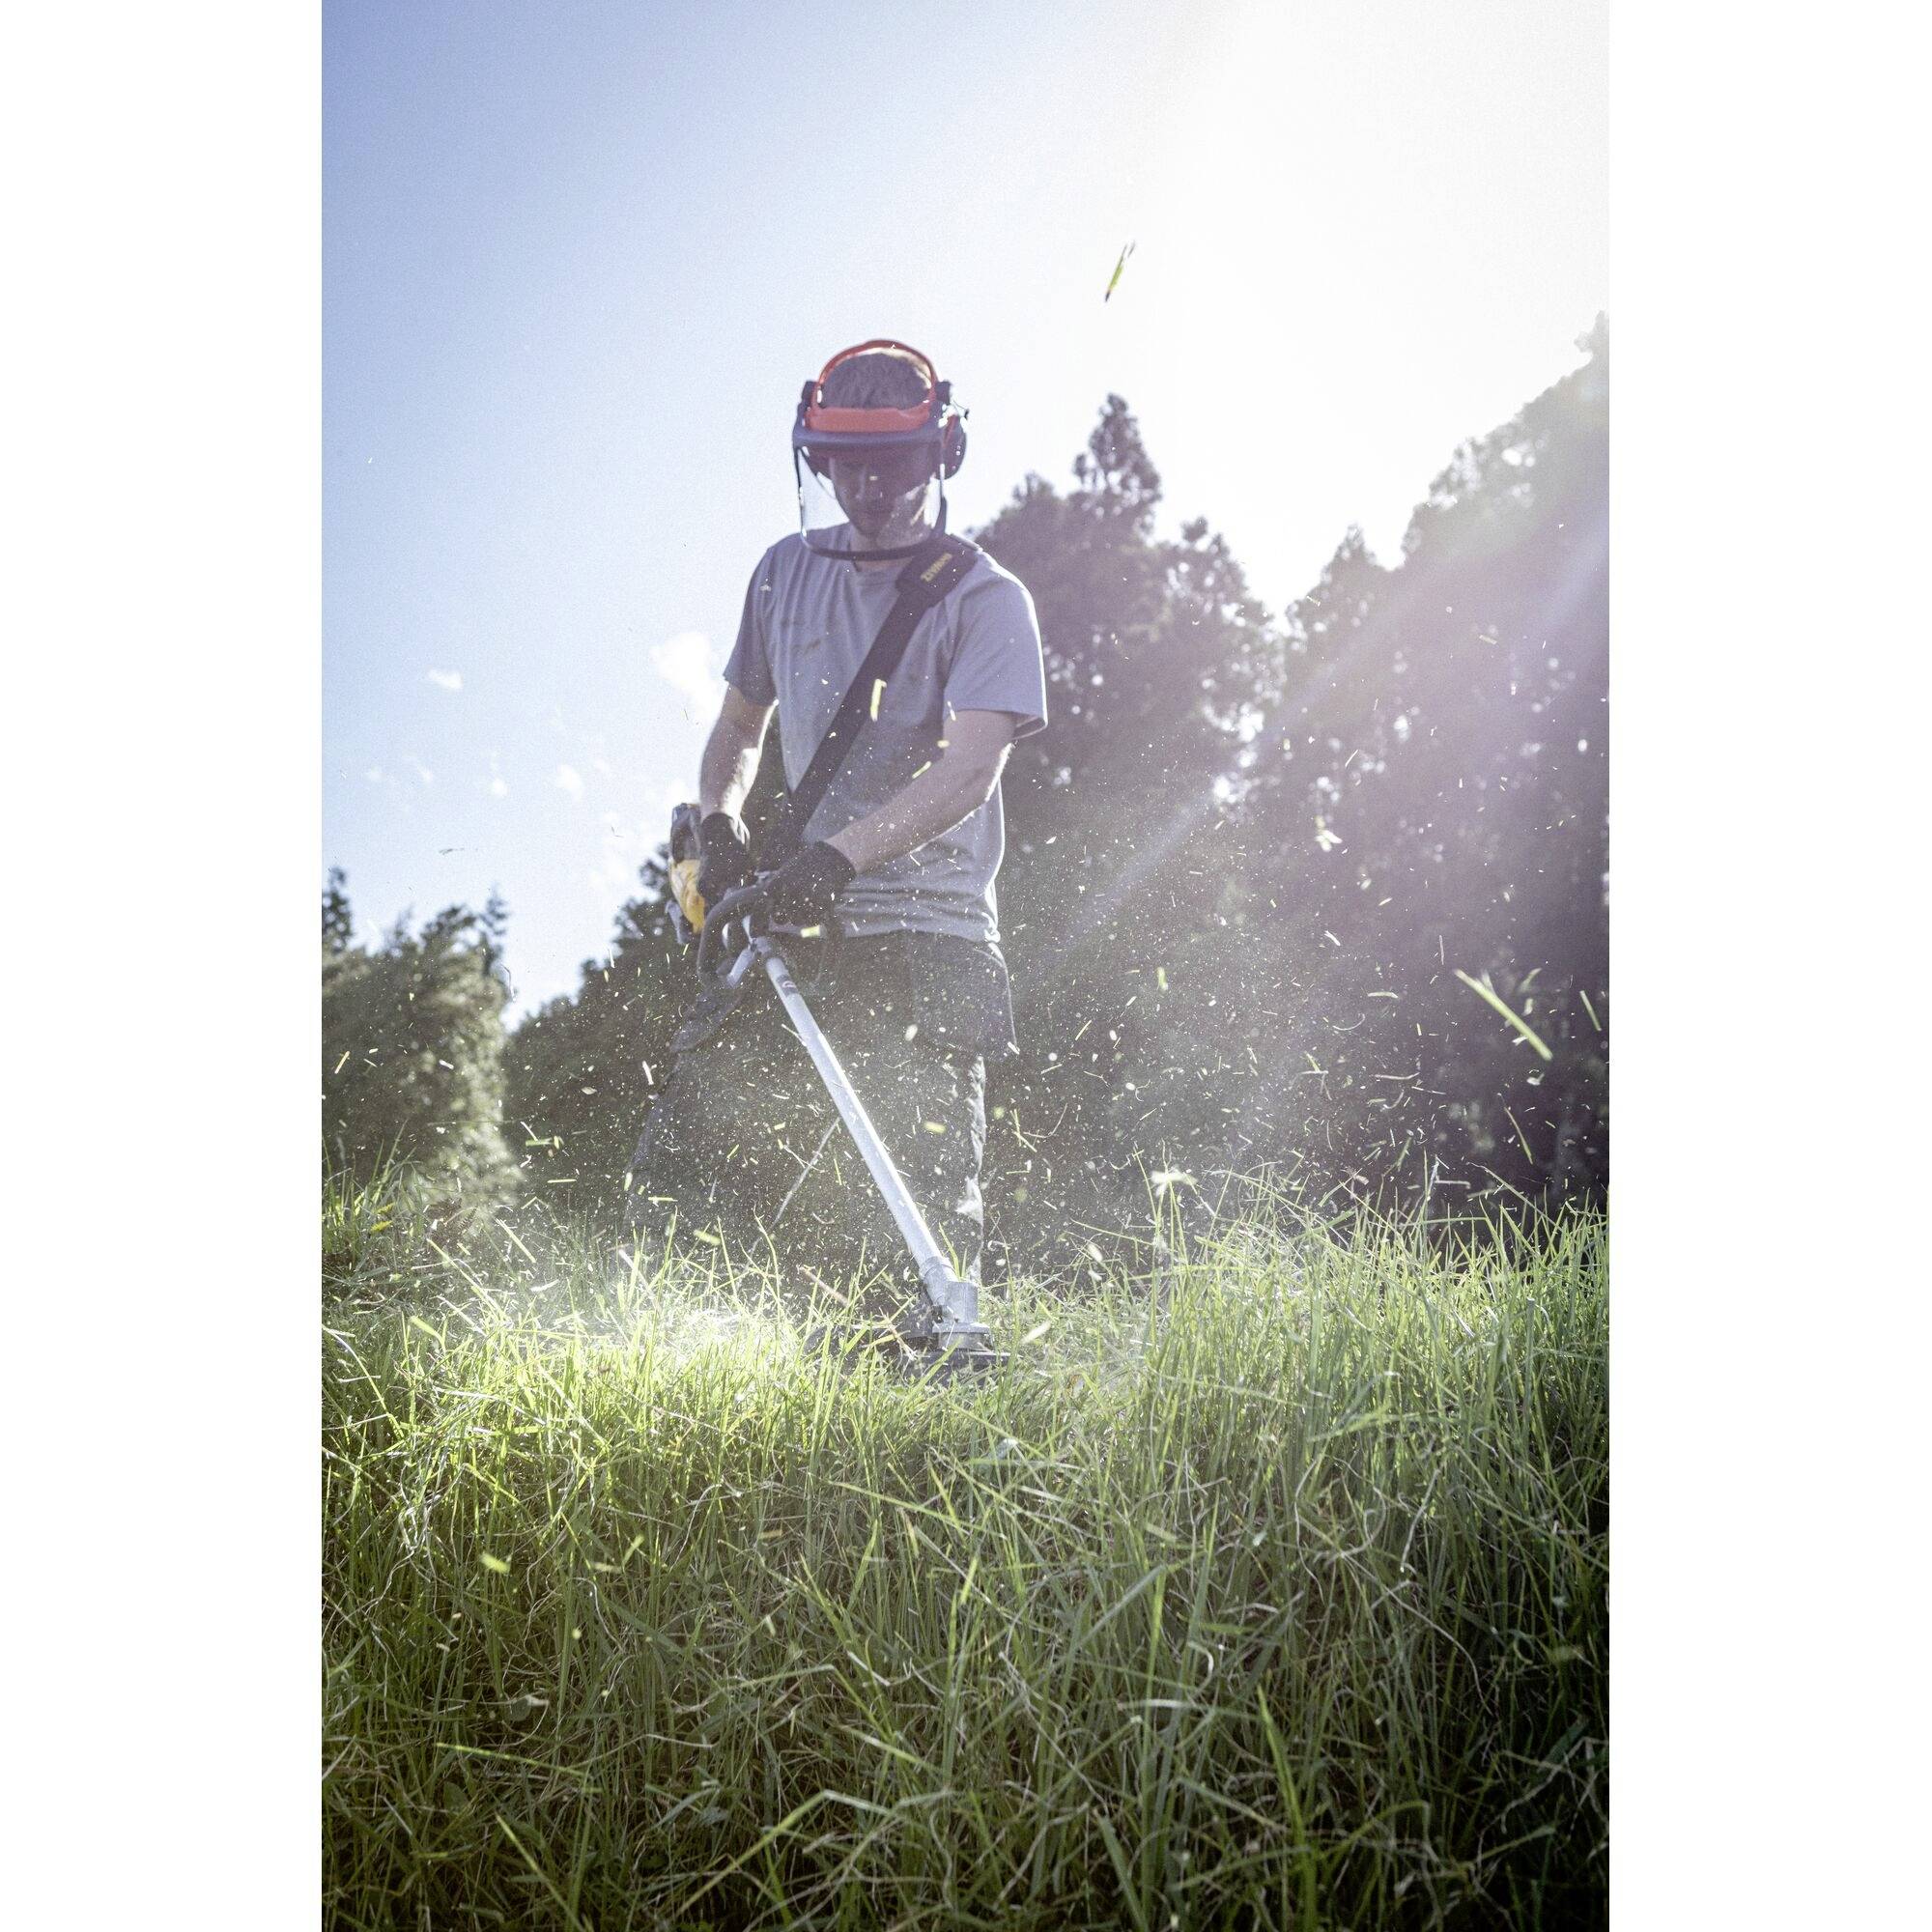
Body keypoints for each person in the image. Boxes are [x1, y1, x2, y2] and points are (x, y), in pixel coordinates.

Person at [624, 342, 1047, 1332]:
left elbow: (968, 768)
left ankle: (922, 1384)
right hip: (793, 923)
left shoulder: (985, 599)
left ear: (939, 453)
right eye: (845, 463)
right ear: (814, 459)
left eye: (892, 462)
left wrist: (838, 856)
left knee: (908, 1211)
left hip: (927, 932)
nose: (867, 484)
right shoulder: (783, 573)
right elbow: (736, 728)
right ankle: (681, 1368)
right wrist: (722, 822)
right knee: (688, 1166)